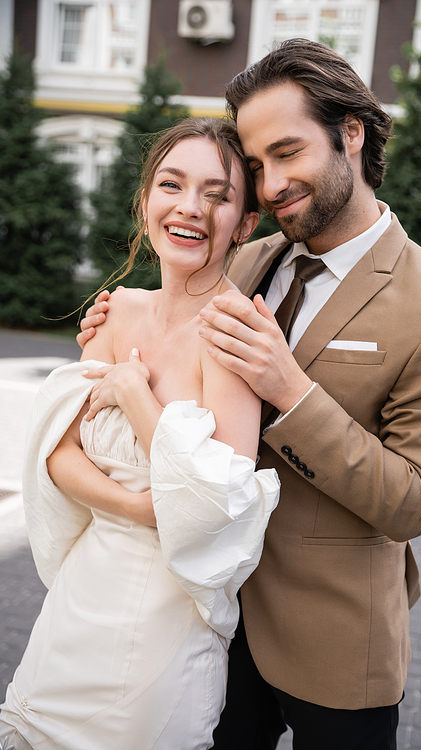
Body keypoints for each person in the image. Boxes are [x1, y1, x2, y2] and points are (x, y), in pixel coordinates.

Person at [77, 39, 421, 750]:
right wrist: (122, 326)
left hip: (335, 643)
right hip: (211, 618)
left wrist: (290, 390)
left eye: (288, 152)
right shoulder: (249, 257)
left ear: (351, 134)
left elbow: (414, 500)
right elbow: (182, 335)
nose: (269, 186)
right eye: (257, 164)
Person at [0, 118, 280, 750]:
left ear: (244, 223)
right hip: (81, 593)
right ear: (146, 202)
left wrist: (132, 391)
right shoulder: (115, 310)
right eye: (171, 184)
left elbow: (217, 504)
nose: (189, 207)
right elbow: (58, 454)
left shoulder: (234, 334)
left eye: (216, 194)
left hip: (166, 613)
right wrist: (135, 506)